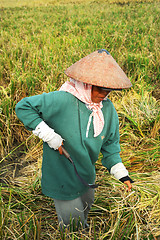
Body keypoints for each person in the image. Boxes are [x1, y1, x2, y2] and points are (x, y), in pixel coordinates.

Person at [15, 49, 133, 231]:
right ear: (86, 84)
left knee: (85, 210)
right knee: (73, 226)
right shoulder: (62, 100)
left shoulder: (107, 110)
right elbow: (24, 106)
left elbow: (110, 145)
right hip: (61, 174)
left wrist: (121, 173)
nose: (104, 94)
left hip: (86, 174)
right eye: (100, 88)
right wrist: (49, 135)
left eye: (108, 90)